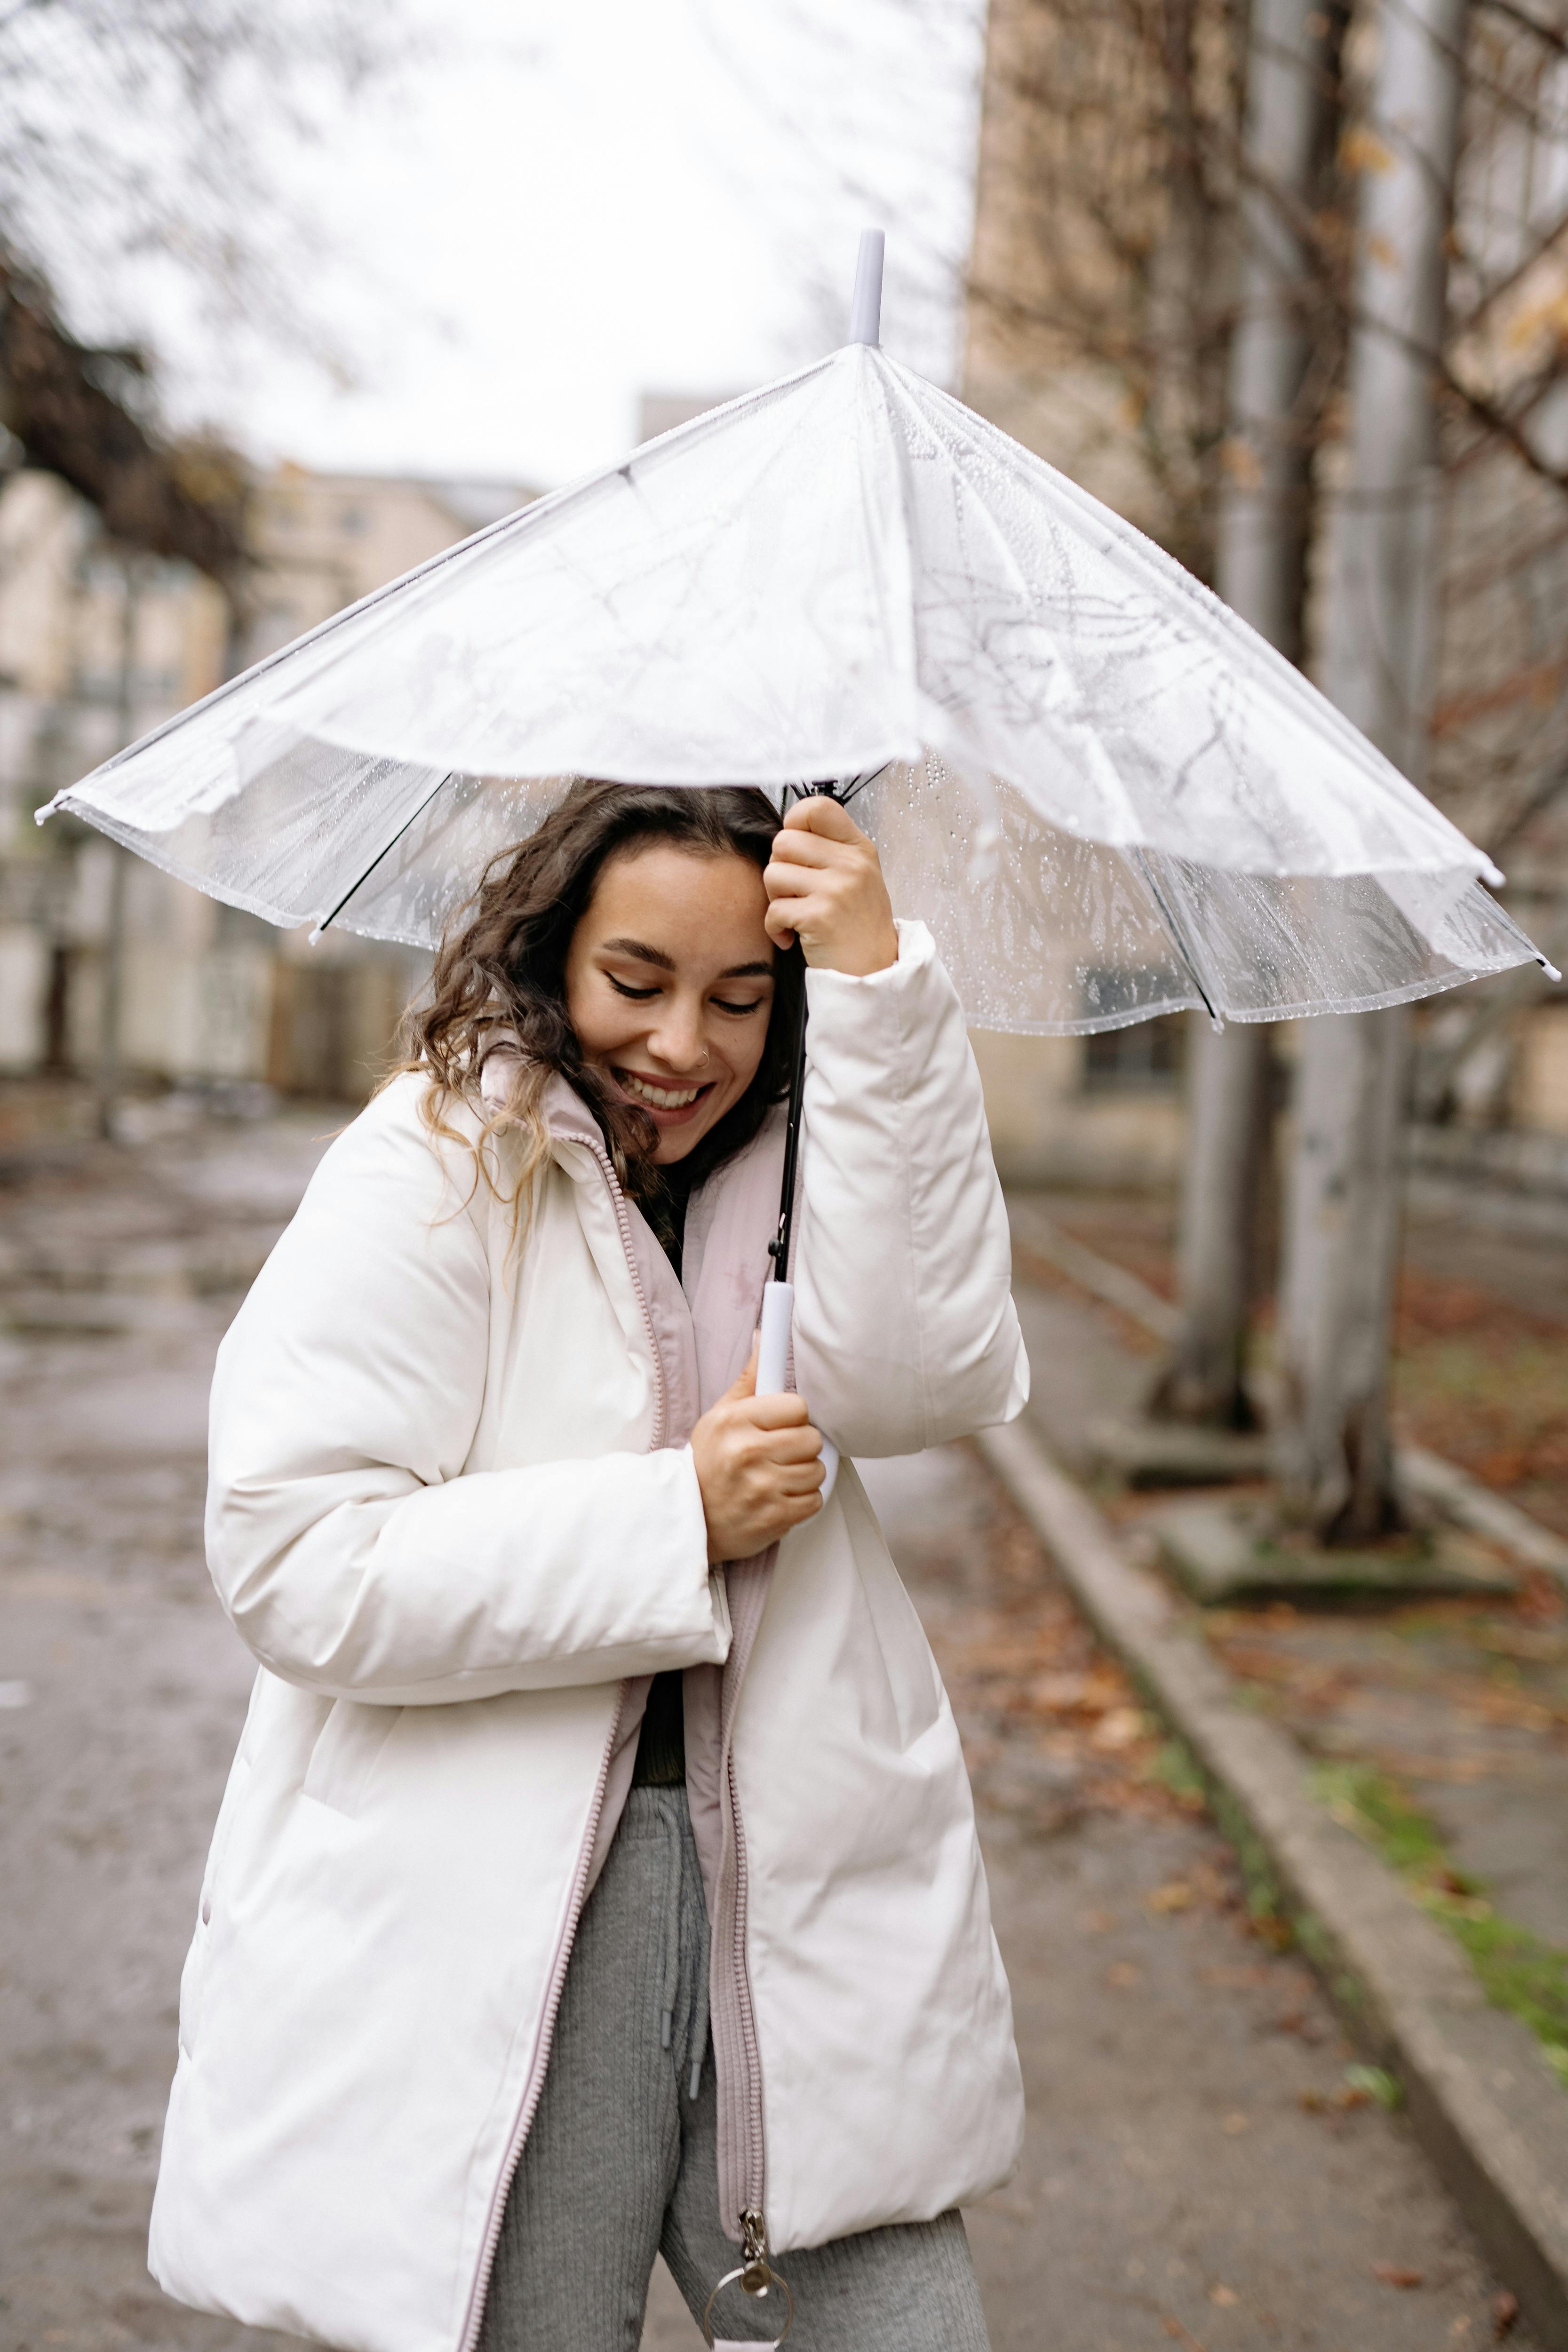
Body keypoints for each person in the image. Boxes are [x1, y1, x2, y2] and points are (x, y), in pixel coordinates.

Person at [147, 779, 1029, 2352]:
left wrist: (884, 993)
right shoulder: (437, 1158)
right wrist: (669, 1517)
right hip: (534, 1910)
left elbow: (925, 1380)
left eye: (743, 999)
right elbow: (293, 1560)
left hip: (801, 1889)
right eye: (637, 982)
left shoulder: (805, 1161)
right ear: (556, 959)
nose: (684, 1044)